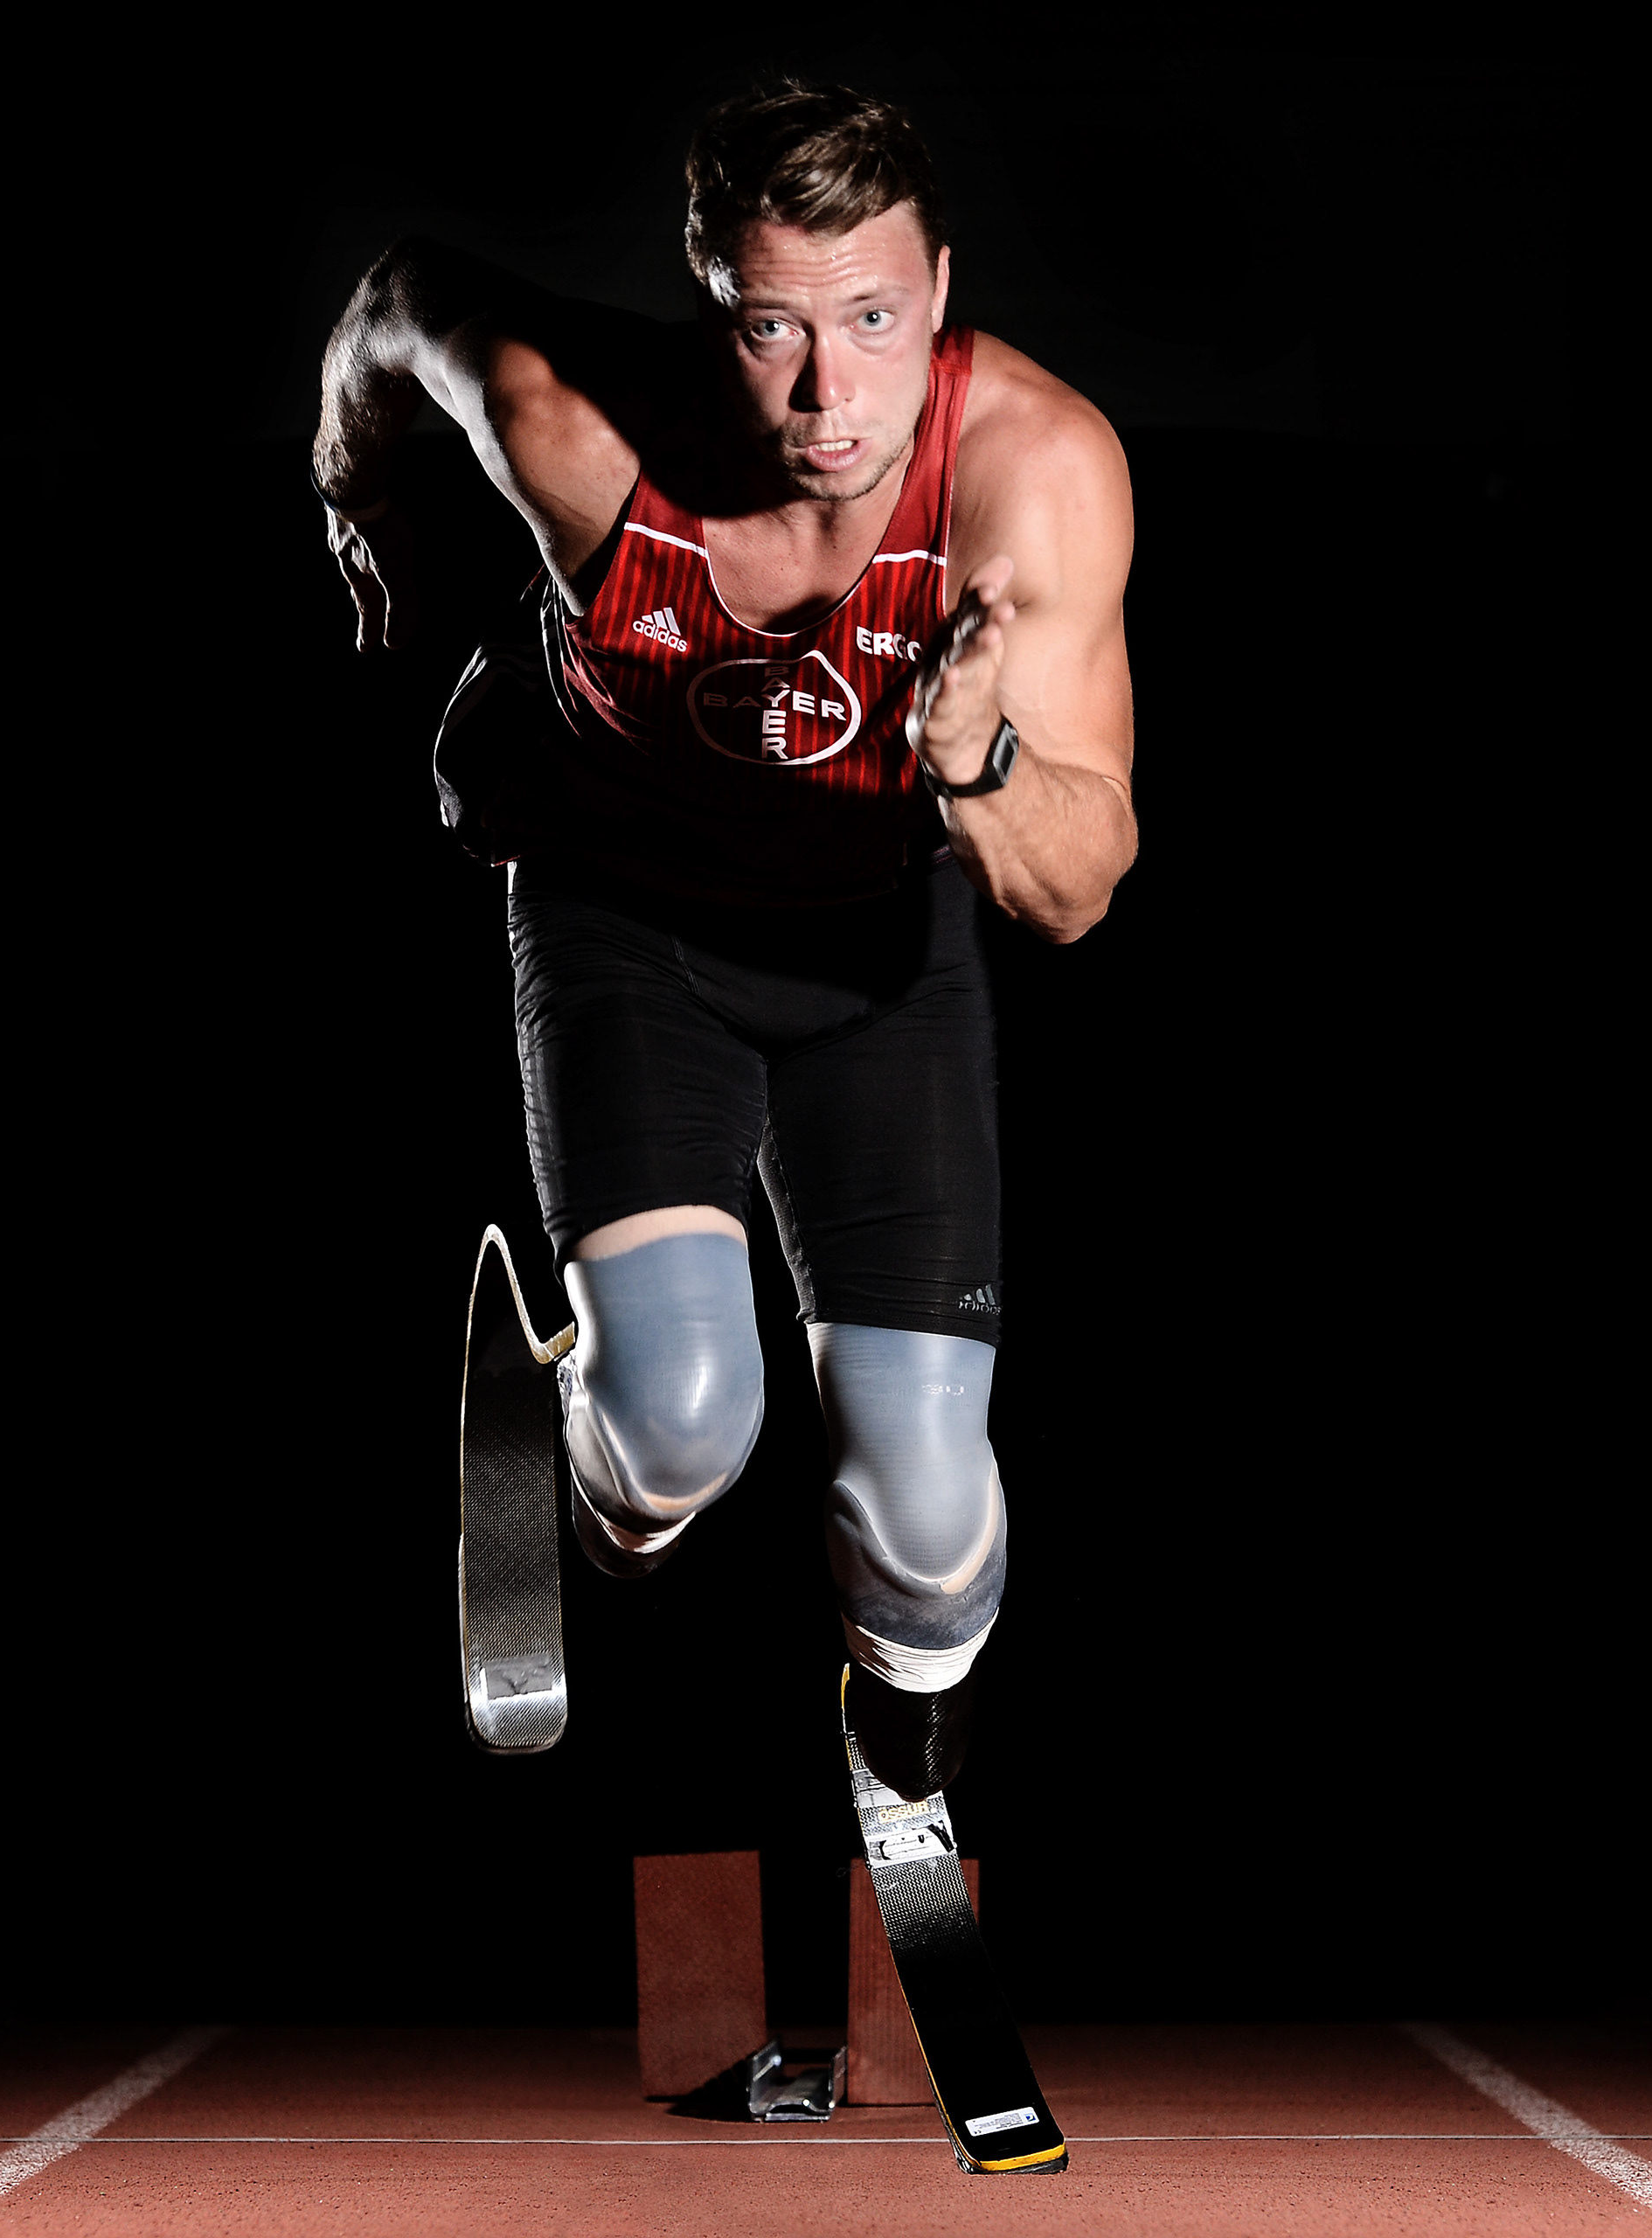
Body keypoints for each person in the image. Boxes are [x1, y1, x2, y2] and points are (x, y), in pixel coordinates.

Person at [313, 80, 1135, 1799]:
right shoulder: (566, 425)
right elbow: (396, 301)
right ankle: (582, 1433)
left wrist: (978, 755)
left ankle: (909, 1713)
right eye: (775, 328)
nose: (833, 394)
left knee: (924, 1508)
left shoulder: (1027, 478)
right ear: (709, 306)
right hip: (630, 913)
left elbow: (1079, 886)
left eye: (875, 320)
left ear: (942, 290)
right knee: (686, 1422)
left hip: (868, 955)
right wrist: (355, 482)